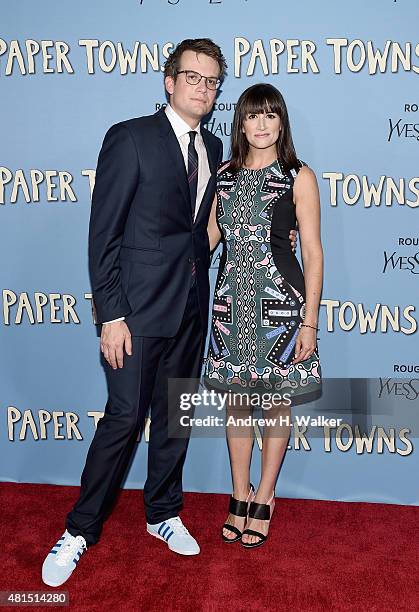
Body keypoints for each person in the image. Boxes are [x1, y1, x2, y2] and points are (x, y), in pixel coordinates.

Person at [42, 39, 298, 586]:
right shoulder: (130, 138)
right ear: (169, 80)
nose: (203, 89)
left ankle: (163, 512)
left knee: (175, 421)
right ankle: (79, 530)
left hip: (192, 308)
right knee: (124, 419)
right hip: (133, 315)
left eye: (212, 82)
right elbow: (103, 235)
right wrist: (110, 316)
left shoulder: (215, 149)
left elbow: (210, 232)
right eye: (193, 78)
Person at [204, 83, 323, 548]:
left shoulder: (299, 175)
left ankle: (266, 496)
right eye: (253, 116)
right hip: (230, 308)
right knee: (237, 404)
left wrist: (310, 321)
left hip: (281, 310)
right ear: (241, 123)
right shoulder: (226, 175)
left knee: (275, 405)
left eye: (270, 116)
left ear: (281, 122)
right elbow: (208, 240)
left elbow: (312, 252)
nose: (261, 125)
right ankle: (239, 493)